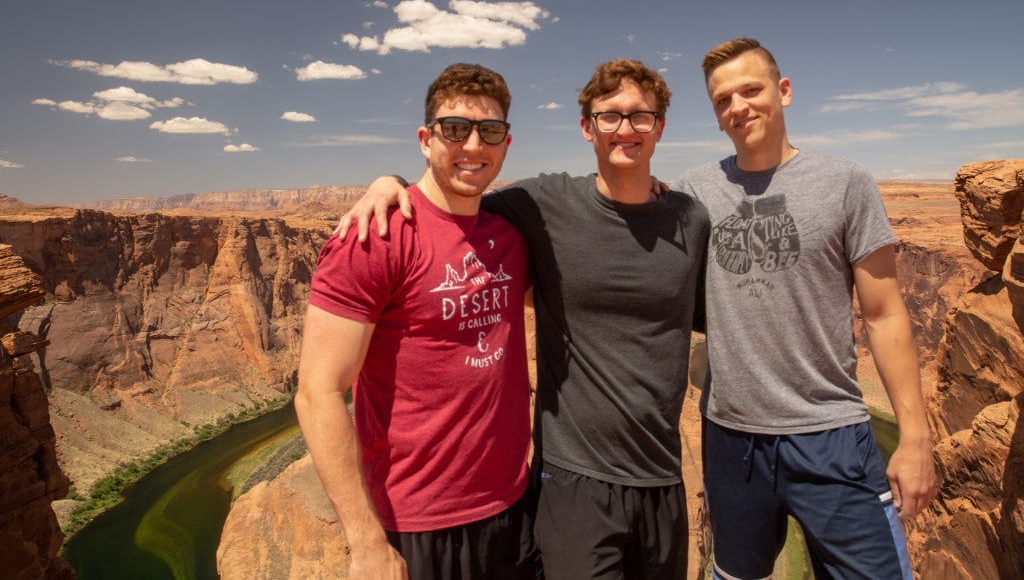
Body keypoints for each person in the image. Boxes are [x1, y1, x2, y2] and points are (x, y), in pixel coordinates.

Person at [338, 59, 709, 579]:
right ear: (587, 127)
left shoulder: (690, 218)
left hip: (660, 477)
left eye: (641, 117)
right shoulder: (541, 204)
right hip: (572, 481)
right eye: (610, 117)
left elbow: (720, 318)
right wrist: (388, 181)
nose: (625, 129)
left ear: (660, 127)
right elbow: (453, 193)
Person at [671, 37, 937, 579]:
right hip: (730, 437)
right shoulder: (691, 192)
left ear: (783, 91)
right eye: (723, 100)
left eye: (751, 89)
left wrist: (915, 439)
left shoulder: (846, 183)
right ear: (716, 115)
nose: (738, 106)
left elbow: (884, 313)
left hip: (831, 434)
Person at [295, 63, 539, 579]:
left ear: (506, 145)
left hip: (514, 507)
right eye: (455, 129)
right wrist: (365, 543)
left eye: (489, 131)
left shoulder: (511, 236)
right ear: (426, 140)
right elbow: (317, 391)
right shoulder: (375, 236)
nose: (473, 145)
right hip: (417, 523)